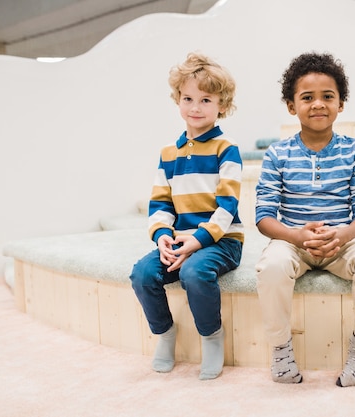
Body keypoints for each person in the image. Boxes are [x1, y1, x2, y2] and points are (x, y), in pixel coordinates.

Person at [255, 52, 355, 387]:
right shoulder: (278, 154)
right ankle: (280, 348)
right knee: (270, 267)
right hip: (293, 242)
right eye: (307, 98)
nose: (318, 104)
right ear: (292, 106)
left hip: (342, 242)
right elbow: (263, 217)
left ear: (340, 104)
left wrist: (341, 236)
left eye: (327, 96)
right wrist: (296, 237)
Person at [129, 52, 244, 380]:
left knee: (194, 273)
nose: (195, 107)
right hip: (179, 240)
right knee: (142, 274)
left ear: (221, 104)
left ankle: (211, 337)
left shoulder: (227, 148)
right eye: (188, 98)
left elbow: (228, 205)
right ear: (178, 100)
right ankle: (164, 334)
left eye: (205, 100)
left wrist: (198, 241)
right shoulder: (169, 153)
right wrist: (163, 235)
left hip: (221, 240)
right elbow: (160, 203)